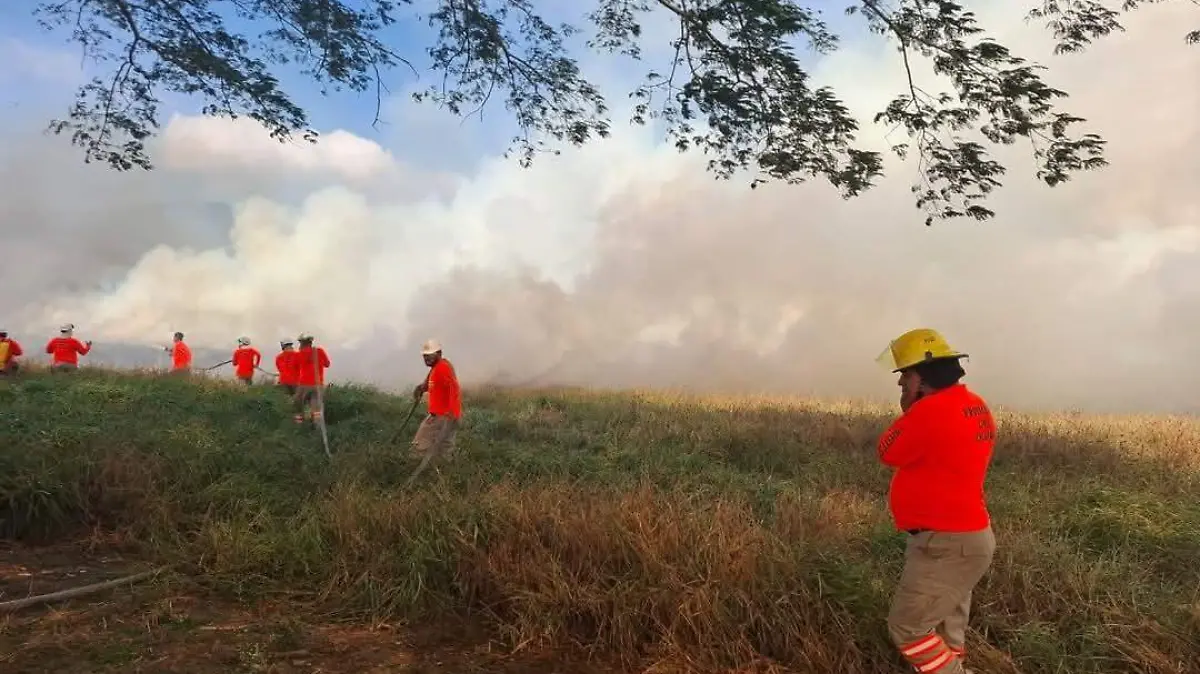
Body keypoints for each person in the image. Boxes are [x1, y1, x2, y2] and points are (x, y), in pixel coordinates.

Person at [875, 328, 997, 674]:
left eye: (904, 380)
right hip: (968, 538)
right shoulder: (975, 406)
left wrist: (909, 409)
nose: (901, 387)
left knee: (908, 629)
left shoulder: (929, 412)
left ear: (921, 379)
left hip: (944, 543)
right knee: (946, 630)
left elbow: (887, 451)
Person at [411, 338, 462, 461]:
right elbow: (430, 383)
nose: (426, 359)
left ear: (439, 354)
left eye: (430, 355)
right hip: (444, 416)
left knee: (420, 445)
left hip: (443, 417)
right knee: (444, 449)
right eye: (424, 356)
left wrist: (451, 414)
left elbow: (454, 390)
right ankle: (442, 475)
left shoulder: (443, 368)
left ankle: (415, 469)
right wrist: (421, 388)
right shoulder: (436, 368)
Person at [292, 333, 329, 425]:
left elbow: (294, 367)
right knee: (316, 409)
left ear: (301, 343)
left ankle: (299, 425)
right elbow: (327, 364)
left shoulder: (299, 354)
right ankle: (317, 428)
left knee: (297, 404)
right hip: (318, 385)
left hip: (304, 385)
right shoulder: (319, 351)